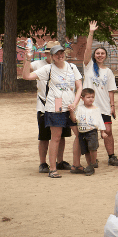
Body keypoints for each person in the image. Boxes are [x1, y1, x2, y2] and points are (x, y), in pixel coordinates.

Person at [22, 43, 83, 178]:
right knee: (55, 138)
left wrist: (75, 102)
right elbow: (26, 76)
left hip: (71, 107)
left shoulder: (72, 67)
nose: (60, 56)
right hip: (54, 107)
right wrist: (27, 58)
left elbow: (79, 87)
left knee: (79, 134)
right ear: (52, 57)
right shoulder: (47, 69)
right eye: (57, 54)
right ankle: (52, 168)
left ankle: (76, 164)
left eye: (62, 53)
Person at [80, 22, 118, 166]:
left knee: (107, 131)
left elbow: (111, 90)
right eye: (97, 53)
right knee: (90, 132)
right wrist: (91, 32)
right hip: (89, 107)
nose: (100, 55)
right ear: (94, 55)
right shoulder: (88, 66)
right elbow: (88, 48)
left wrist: (112, 105)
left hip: (103, 106)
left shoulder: (108, 72)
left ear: (105, 56)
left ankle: (111, 156)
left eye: (102, 53)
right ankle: (92, 157)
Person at [26, 41, 69, 173]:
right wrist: (27, 58)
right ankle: (43, 163)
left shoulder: (65, 66)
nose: (57, 55)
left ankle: (60, 160)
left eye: (59, 53)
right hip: (44, 104)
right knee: (44, 137)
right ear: (48, 54)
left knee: (60, 135)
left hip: (60, 103)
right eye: (53, 53)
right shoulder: (39, 64)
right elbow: (27, 72)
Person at [68, 88, 106, 175]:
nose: (91, 99)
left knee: (93, 148)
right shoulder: (79, 108)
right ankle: (89, 166)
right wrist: (71, 112)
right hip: (82, 132)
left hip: (92, 131)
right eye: (88, 97)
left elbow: (100, 121)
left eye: (92, 97)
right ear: (82, 98)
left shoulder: (96, 109)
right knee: (86, 150)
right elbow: (74, 120)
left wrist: (102, 132)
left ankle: (93, 163)